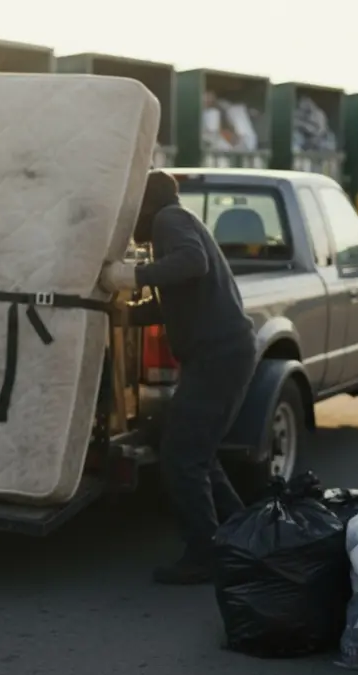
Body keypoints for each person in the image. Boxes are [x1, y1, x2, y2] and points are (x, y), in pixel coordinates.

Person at [99, 171, 258, 585]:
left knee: (181, 457)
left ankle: (204, 552)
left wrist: (133, 277)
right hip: (221, 353)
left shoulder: (171, 220)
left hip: (218, 355)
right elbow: (180, 299)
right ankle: (246, 535)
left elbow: (192, 263)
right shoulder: (176, 223)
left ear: (145, 206)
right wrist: (124, 314)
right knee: (198, 452)